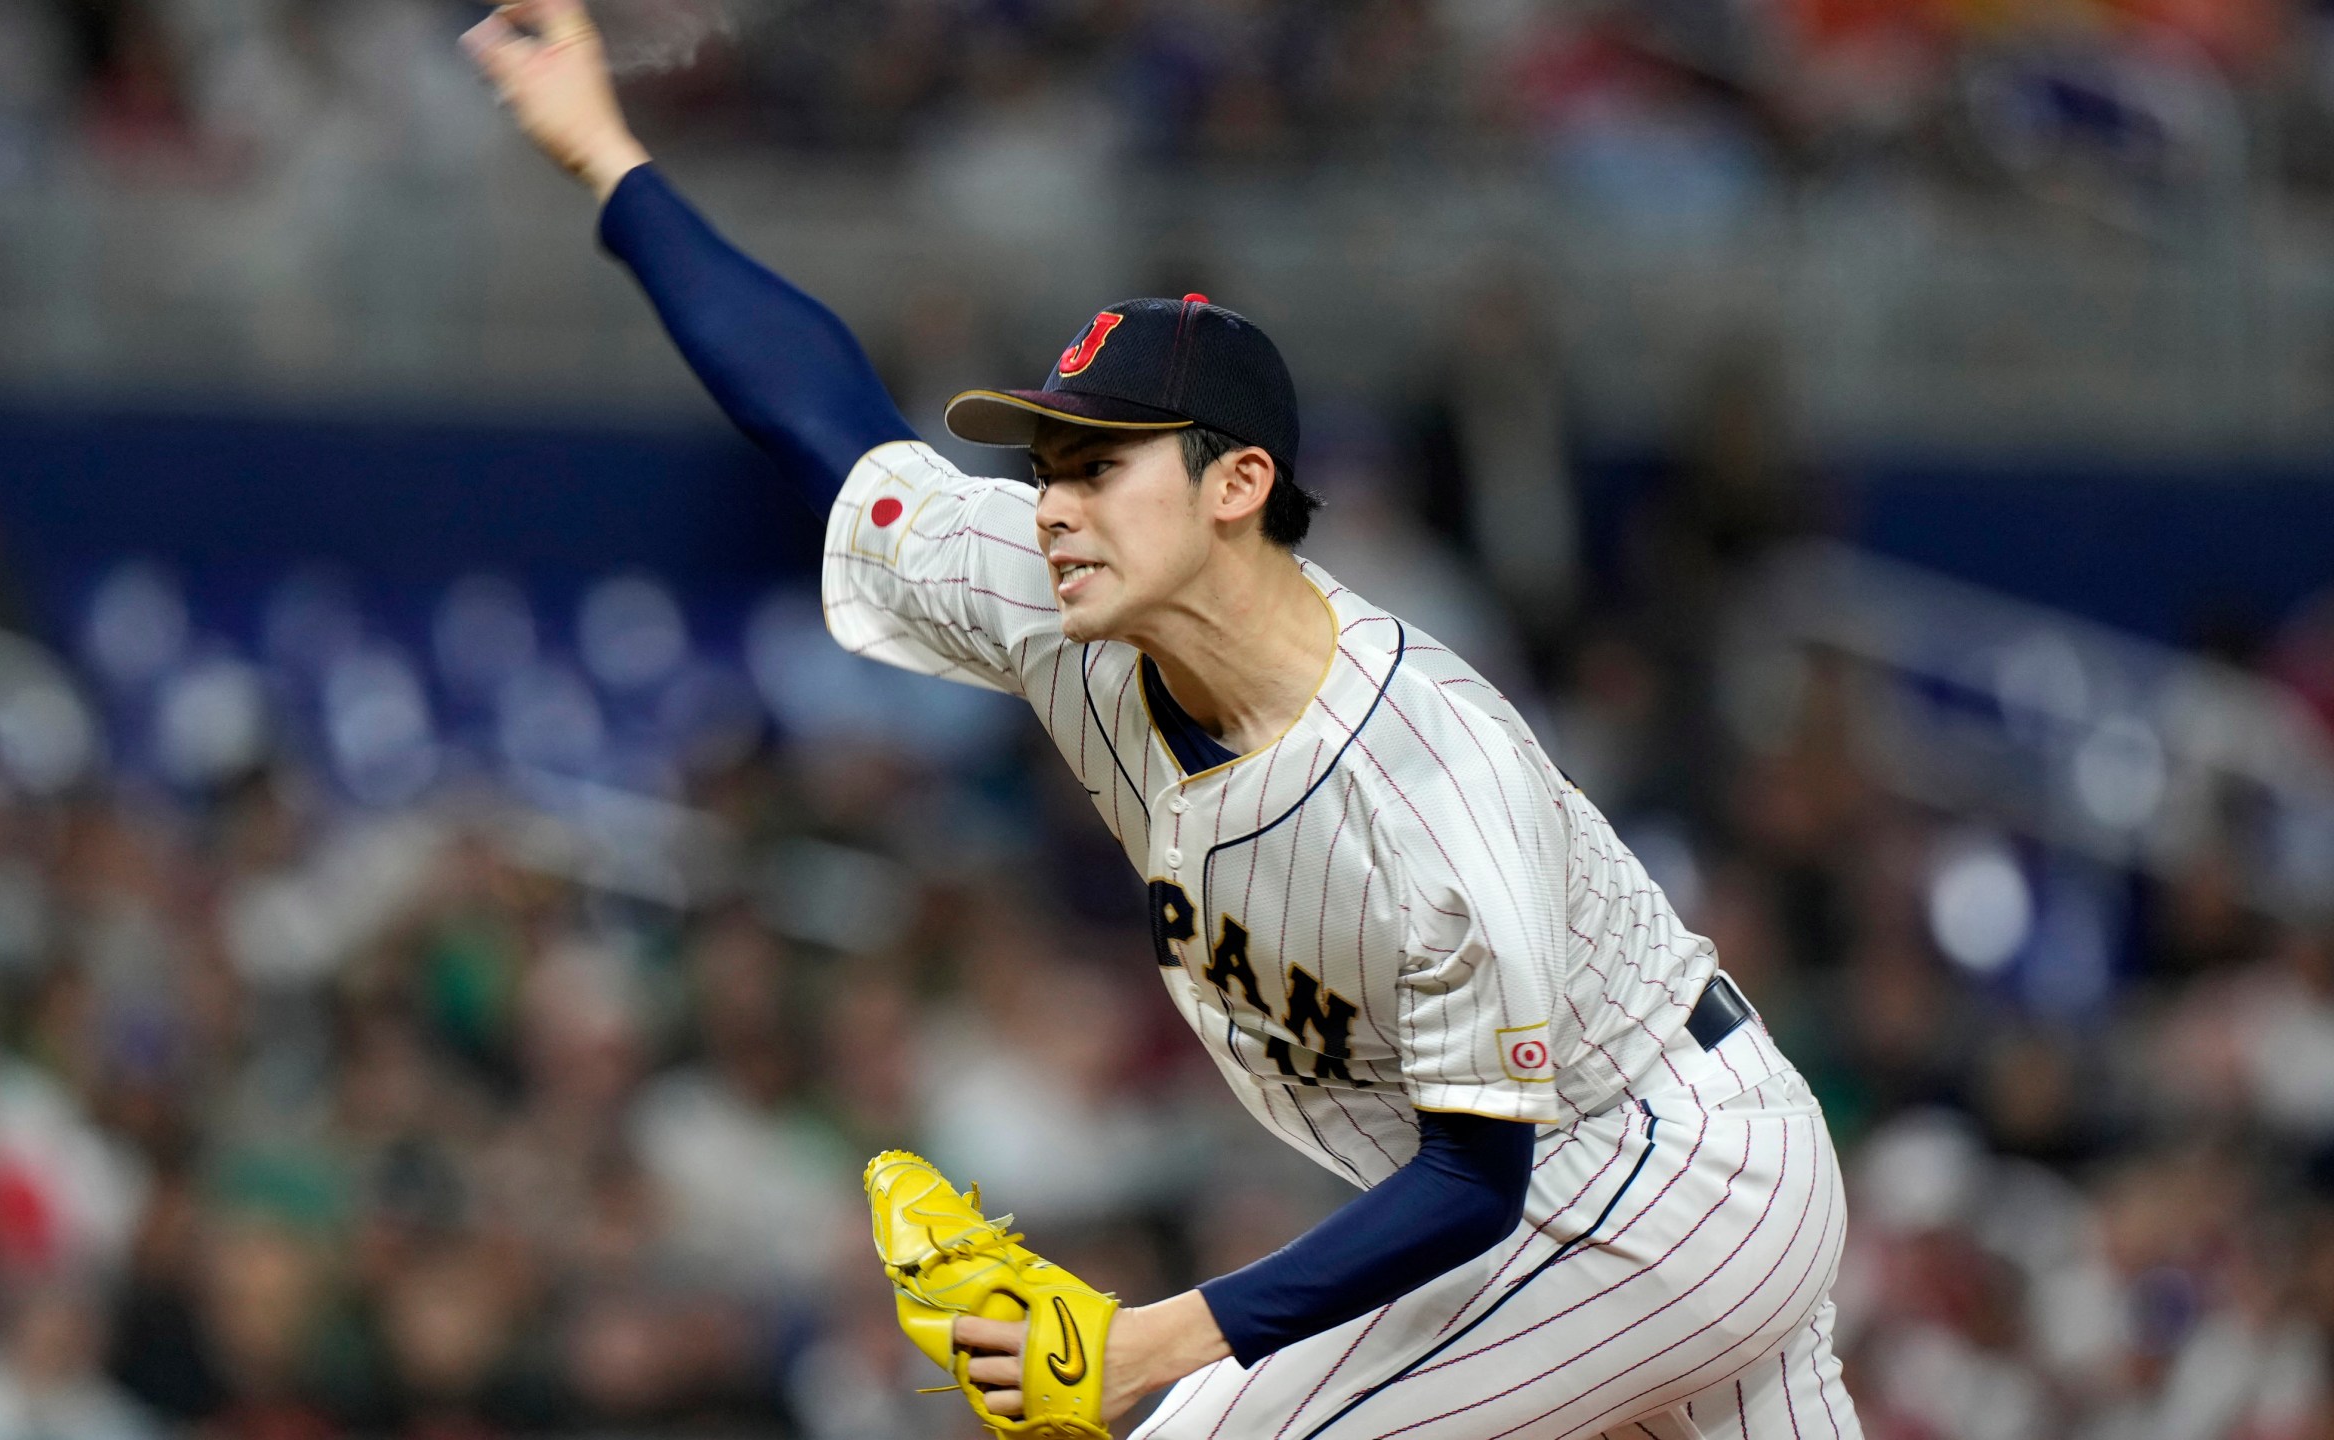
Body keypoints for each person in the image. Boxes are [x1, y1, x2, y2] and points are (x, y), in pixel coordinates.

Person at [461, 4, 1864, 1435]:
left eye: (1099, 466)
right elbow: (826, 420)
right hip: (1599, 1179)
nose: (1054, 504)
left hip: (1656, 1171)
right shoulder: (1047, 588)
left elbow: (1471, 1183)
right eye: (1046, 464)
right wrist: (611, 162)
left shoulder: (1426, 765)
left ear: (1236, 486)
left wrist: (1149, 1346)